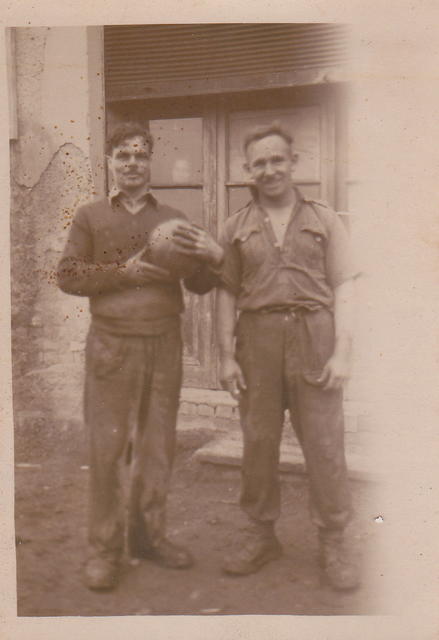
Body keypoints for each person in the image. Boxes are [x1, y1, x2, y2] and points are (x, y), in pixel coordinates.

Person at [57, 121, 223, 591]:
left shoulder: (173, 217)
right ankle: (104, 550)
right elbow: (68, 275)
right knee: (107, 449)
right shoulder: (90, 216)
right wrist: (123, 272)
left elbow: (198, 284)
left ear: (151, 162)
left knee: (157, 447)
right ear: (110, 162)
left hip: (164, 343)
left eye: (140, 154)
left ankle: (149, 537)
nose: (132, 163)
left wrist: (212, 257)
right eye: (123, 155)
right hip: (111, 344)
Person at [216, 122, 360, 590]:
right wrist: (225, 357)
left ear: (294, 163)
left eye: (278, 160)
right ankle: (261, 535)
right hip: (256, 340)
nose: (270, 169)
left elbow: (345, 286)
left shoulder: (323, 218)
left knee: (323, 443)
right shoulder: (235, 227)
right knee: (258, 442)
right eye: (259, 163)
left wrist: (342, 352)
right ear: (247, 171)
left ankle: (334, 540)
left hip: (314, 335)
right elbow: (224, 293)